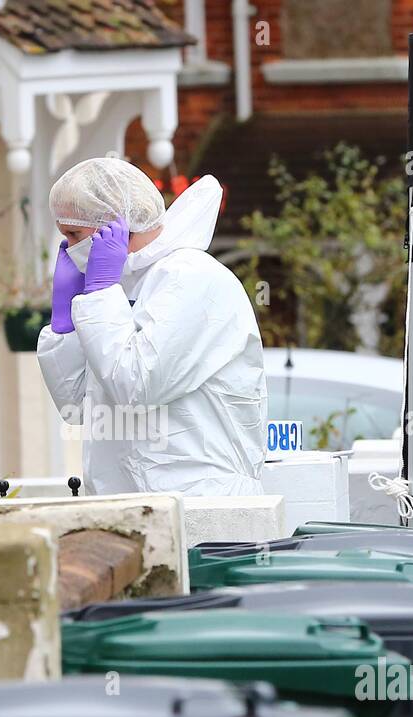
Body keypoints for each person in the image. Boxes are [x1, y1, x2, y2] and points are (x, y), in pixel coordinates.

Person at [36, 157, 267, 496]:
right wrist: (64, 326)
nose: (69, 249)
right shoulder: (125, 283)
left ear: (114, 226)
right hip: (130, 501)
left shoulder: (191, 277)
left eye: (74, 234)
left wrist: (100, 296)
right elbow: (75, 404)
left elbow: (137, 386)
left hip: (201, 503)